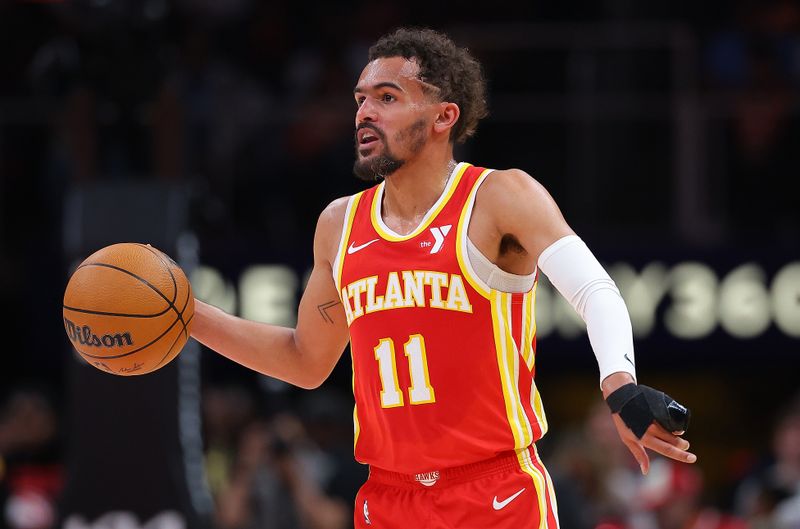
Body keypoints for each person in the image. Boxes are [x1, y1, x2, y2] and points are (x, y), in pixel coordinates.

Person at [190, 27, 696, 528]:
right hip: (388, 497)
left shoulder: (499, 197)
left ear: (444, 116)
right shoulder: (338, 224)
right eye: (361, 99)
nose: (365, 112)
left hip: (495, 493)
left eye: (387, 97)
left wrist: (620, 386)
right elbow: (306, 360)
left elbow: (594, 290)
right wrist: (189, 316)